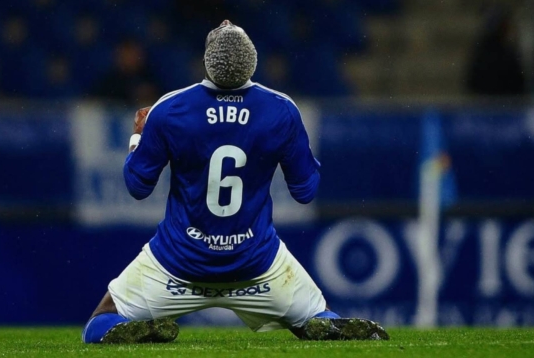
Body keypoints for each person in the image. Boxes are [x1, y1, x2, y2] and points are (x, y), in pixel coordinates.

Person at [82, 20, 390, 344]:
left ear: (206, 62)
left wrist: (137, 137)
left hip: (178, 263)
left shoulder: (169, 109)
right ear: (252, 61)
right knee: (320, 317)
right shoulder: (281, 110)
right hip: (257, 266)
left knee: (101, 322)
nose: (226, 21)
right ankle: (314, 324)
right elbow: (306, 191)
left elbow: (137, 186)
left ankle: (138, 331)